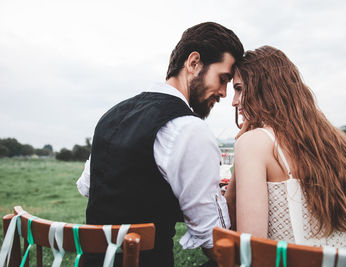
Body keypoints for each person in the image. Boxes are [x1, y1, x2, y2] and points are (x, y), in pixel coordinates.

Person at [76, 22, 244, 266]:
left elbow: (90, 187)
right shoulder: (189, 128)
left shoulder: (112, 115)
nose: (224, 93)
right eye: (223, 78)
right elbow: (214, 242)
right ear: (194, 63)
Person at [225, 45, 346, 248]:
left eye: (239, 89)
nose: (234, 101)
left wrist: (242, 150)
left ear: (264, 88)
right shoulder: (338, 142)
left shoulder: (253, 143)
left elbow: (252, 248)